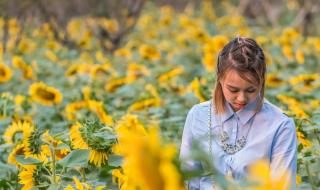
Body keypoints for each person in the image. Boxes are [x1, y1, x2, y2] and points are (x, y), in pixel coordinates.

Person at [179, 37, 297, 189]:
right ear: (219, 78)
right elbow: (187, 178)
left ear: (262, 82)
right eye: (233, 89)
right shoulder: (198, 116)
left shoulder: (280, 125)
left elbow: (283, 187)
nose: (242, 98)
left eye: (251, 90)